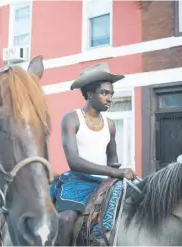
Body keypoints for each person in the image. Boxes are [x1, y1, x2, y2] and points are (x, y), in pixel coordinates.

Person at [49, 63, 137, 246]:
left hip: (104, 184)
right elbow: (74, 161)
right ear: (90, 94)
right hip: (78, 181)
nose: (110, 98)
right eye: (105, 93)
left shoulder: (110, 125)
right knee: (65, 220)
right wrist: (115, 172)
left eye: (111, 94)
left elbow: (113, 160)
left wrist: (120, 174)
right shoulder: (72, 118)